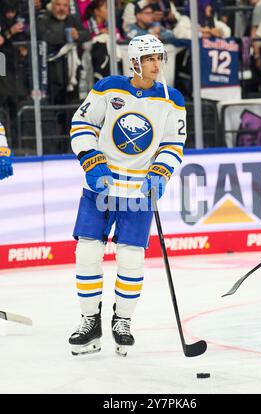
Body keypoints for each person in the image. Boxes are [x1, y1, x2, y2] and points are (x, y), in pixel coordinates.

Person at [68, 34, 187, 357]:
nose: (155, 64)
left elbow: (172, 145)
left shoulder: (172, 99)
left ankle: (122, 321)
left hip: (138, 190)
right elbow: (82, 124)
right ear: (134, 61)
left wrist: (159, 174)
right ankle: (89, 321)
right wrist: (92, 162)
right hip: (100, 186)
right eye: (148, 58)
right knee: (88, 251)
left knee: (132, 257)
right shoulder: (109, 87)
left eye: (158, 58)